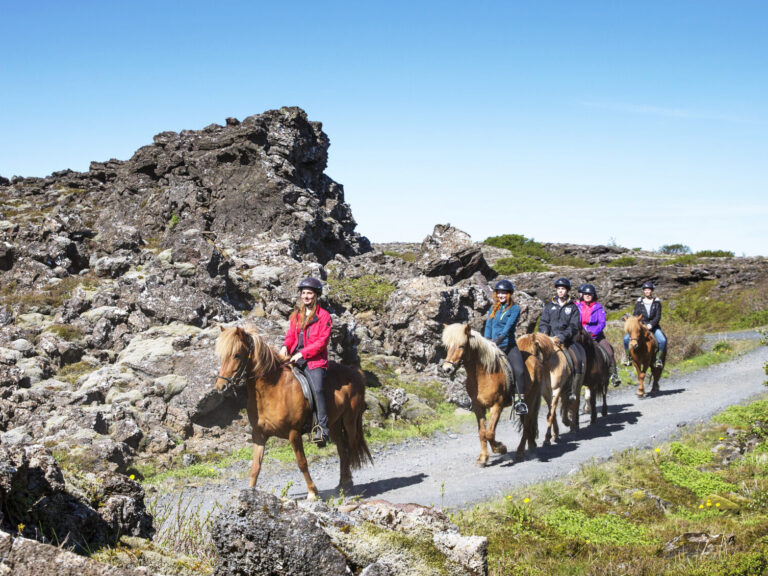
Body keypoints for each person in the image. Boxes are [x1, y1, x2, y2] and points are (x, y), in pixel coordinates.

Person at [280, 277, 332, 446]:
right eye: (304, 293)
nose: (306, 296)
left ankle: (322, 428)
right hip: (295, 358)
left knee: (317, 389)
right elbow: (290, 336)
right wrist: (285, 346)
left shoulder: (324, 316)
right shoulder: (296, 315)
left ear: (316, 295)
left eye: (309, 293)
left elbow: (321, 342)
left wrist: (302, 353)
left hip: (314, 361)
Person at [483, 280, 527, 415]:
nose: (501, 295)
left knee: (519, 371)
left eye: (504, 293)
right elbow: (488, 326)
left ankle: (520, 401)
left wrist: (498, 340)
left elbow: (508, 327)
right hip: (492, 346)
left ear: (509, 294)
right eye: (499, 293)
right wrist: (487, 341)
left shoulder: (515, 309)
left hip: (508, 345)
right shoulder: (493, 308)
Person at [538, 277, 585, 401]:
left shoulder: (573, 307)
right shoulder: (549, 306)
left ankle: (573, 391)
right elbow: (543, 322)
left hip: (567, 341)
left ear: (567, 291)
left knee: (578, 360)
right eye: (558, 289)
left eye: (563, 289)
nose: (560, 291)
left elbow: (574, 326)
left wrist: (562, 337)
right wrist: (544, 334)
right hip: (549, 340)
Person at [577, 284, 622, 387]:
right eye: (585, 294)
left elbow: (602, 323)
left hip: (596, 336)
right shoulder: (578, 307)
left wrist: (593, 333)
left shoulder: (598, 307)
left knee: (609, 352)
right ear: (582, 295)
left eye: (590, 294)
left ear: (593, 295)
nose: (587, 296)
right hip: (581, 336)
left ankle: (614, 375)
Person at [623, 281, 666, 368]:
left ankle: (658, 359)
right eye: (645, 290)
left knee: (662, 340)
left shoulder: (656, 302)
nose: (647, 291)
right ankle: (628, 357)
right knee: (626, 339)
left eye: (648, 290)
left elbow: (658, 317)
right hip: (641, 327)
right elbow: (635, 315)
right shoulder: (639, 302)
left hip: (653, 327)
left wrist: (651, 325)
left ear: (651, 291)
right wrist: (640, 325)